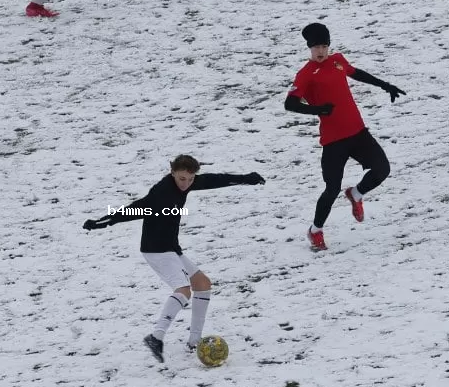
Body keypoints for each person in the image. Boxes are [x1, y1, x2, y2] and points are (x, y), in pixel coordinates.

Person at [82, 155, 264, 363]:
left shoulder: (187, 182)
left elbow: (214, 179)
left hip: (171, 248)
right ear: (172, 173)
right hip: (156, 250)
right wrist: (101, 222)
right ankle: (156, 337)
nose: (186, 184)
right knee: (184, 290)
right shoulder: (162, 193)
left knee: (203, 284)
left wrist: (245, 178)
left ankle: (194, 342)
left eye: (190, 179)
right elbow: (134, 209)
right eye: (182, 179)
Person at [285, 23, 404, 252]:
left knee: (382, 169)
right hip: (333, 141)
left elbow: (356, 73)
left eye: (324, 46)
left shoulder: (338, 60)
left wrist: (385, 85)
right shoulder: (306, 74)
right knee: (331, 190)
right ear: (309, 48)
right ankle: (315, 231)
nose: (320, 51)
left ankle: (356, 193)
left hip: (358, 132)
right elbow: (289, 103)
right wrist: (318, 109)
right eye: (316, 47)